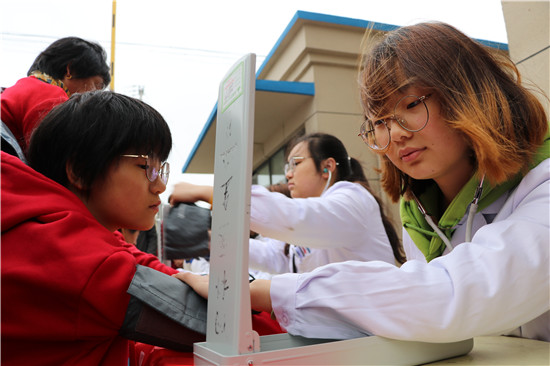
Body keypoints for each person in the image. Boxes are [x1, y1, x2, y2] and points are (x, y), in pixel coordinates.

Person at [177, 22, 549, 343]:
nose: (394, 134)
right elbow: (281, 251)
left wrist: (263, 286)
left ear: (470, 92)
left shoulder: (542, 185)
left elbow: (453, 295)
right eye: (379, 122)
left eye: (410, 104)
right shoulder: (421, 213)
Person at [1, 91, 207, 365]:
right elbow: (216, 325)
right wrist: (270, 296)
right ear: (81, 171)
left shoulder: (49, 226)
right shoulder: (80, 257)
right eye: (146, 167)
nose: (159, 186)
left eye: (161, 170)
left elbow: (141, 264)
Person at [170, 132, 405, 275]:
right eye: (287, 167)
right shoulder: (317, 213)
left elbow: (295, 218)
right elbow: (274, 257)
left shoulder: (352, 198)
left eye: (296, 163)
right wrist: (210, 239)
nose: (289, 174)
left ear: (327, 167)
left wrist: (208, 192)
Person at [1, 36, 110, 154]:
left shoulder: (27, 85)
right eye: (96, 85)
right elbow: (53, 158)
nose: (95, 95)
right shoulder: (50, 96)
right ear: (71, 70)